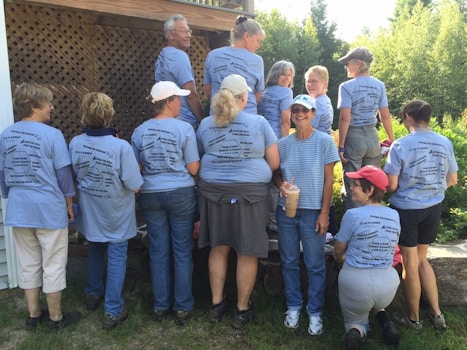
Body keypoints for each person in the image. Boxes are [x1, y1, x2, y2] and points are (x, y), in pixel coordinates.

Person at [196, 74, 279, 329]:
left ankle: (217, 305)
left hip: (213, 193)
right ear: (245, 97)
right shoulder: (259, 122)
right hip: (251, 194)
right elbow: (274, 163)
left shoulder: (206, 124)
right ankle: (242, 310)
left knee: (218, 247)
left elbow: (199, 158)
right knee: (247, 251)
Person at [0, 82, 81, 330]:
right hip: (48, 208)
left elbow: (3, 177)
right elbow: (64, 175)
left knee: (29, 262)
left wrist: (10, 195)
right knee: (53, 262)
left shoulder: (5, 135)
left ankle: (33, 316)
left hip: (18, 208)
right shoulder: (53, 135)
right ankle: (56, 318)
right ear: (35, 106)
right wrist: (70, 202)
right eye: (48, 104)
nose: (51, 108)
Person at [69, 92, 143, 330]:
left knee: (96, 248)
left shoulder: (75, 143)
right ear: (109, 114)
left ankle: (92, 294)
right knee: (117, 255)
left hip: (91, 211)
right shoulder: (120, 146)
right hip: (116, 213)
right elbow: (135, 184)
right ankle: (112, 309)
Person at [384, 100, 458, 332]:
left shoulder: (400, 145)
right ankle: (437, 314)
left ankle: (414, 319)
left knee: (410, 263)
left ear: (407, 117)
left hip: (407, 210)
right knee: (422, 259)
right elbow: (452, 180)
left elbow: (392, 186)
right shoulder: (444, 142)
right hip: (433, 207)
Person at [131, 81, 200, 326]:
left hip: (150, 193)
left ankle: (161, 306)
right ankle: (182, 307)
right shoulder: (185, 129)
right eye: (178, 99)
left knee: (158, 250)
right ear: (169, 102)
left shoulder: (139, 131)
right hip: (180, 193)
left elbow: (136, 168)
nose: (181, 103)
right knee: (182, 250)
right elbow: (193, 168)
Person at [272, 94, 339, 336]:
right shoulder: (283, 144)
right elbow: (275, 173)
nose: (300, 114)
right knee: (289, 261)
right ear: (291, 114)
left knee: (315, 264)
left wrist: (324, 214)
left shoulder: (324, 141)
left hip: (313, 212)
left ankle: (315, 311)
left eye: (305, 110)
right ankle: (293, 306)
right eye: (296, 110)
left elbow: (330, 180)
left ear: (313, 114)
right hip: (286, 211)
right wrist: (280, 184)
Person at [333, 165, 401, 349]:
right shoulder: (394, 215)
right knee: (377, 302)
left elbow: (338, 250)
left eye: (355, 184)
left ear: (370, 190)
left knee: (356, 319)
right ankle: (386, 322)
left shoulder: (353, 215)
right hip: (388, 283)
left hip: (356, 283)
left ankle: (357, 331)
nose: (351, 187)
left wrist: (341, 260)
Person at [337, 47, 394, 210]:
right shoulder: (380, 85)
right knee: (373, 184)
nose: (346, 67)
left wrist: (341, 146)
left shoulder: (346, 87)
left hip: (354, 137)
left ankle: (355, 227)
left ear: (358, 63)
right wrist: (391, 140)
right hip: (372, 136)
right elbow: (384, 115)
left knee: (352, 186)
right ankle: (375, 225)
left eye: (347, 63)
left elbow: (345, 118)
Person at [257, 60, 295, 235]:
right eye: (283, 74)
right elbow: (285, 120)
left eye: (289, 75)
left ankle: (260, 219)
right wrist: (286, 144)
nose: (287, 78)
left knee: (263, 180)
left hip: (259, 139)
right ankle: (273, 222)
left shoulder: (264, 92)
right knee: (275, 181)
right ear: (275, 75)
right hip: (276, 140)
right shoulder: (286, 93)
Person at [204, 15, 265, 114]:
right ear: (246, 36)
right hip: (247, 120)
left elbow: (208, 90)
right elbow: (258, 94)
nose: (258, 46)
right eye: (257, 40)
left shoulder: (212, 55)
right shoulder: (257, 60)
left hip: (218, 119)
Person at [155, 14, 203, 129]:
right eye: (183, 31)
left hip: (166, 119)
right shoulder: (178, 56)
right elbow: (190, 94)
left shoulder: (162, 56)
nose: (188, 35)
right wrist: (202, 120)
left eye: (189, 31)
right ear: (171, 35)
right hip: (184, 121)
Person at [304, 65, 333, 135]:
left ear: (325, 83)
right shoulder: (326, 100)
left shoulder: (317, 103)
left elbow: (309, 129)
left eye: (314, 81)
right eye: (308, 81)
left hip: (316, 143)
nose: (310, 85)